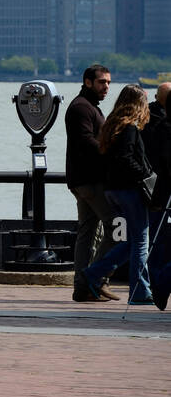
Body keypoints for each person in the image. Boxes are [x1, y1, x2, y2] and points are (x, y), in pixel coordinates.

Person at [82, 84, 155, 304]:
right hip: (129, 190)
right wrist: (146, 174)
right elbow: (127, 159)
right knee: (141, 241)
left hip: (112, 190)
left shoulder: (112, 126)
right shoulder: (130, 127)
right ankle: (139, 292)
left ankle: (94, 272)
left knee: (132, 241)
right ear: (138, 103)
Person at [65, 65, 118, 302]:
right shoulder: (80, 108)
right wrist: (112, 152)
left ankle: (83, 287)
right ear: (88, 82)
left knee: (87, 233)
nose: (106, 87)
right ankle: (95, 278)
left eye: (108, 82)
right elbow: (86, 141)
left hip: (83, 180)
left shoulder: (89, 107)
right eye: (101, 82)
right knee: (117, 228)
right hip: (90, 181)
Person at [142, 84, 171, 310]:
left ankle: (159, 281)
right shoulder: (164, 128)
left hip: (160, 191)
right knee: (155, 240)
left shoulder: (158, 124)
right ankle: (160, 282)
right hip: (164, 192)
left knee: (156, 240)